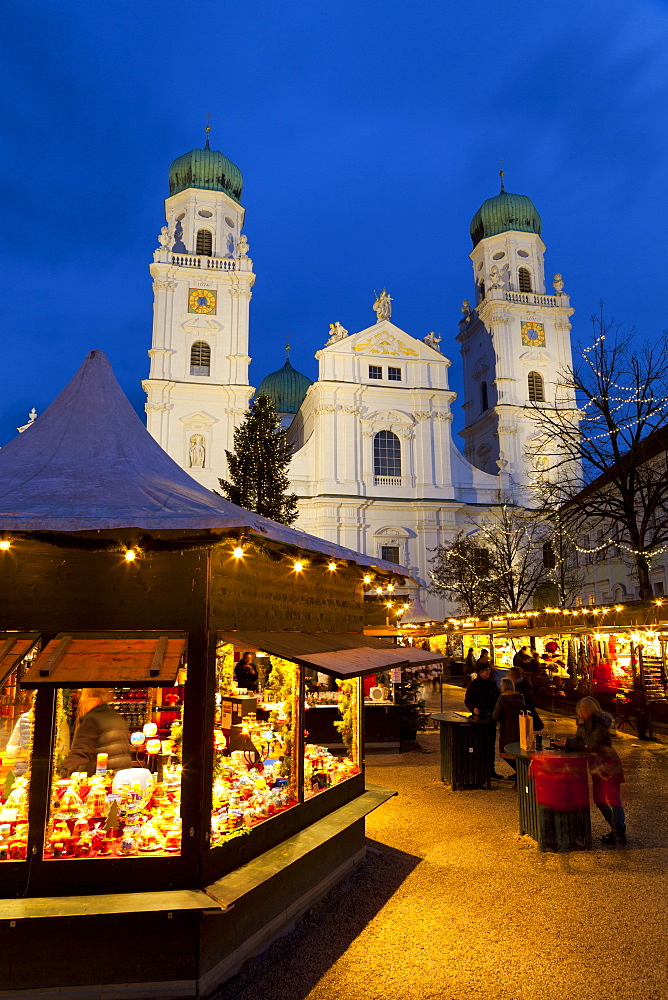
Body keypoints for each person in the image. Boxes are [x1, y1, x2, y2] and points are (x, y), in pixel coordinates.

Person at [560, 696, 626, 846]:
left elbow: (590, 744)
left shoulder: (600, 724)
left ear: (589, 710)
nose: (580, 713)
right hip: (598, 766)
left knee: (613, 799)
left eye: (583, 710)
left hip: (609, 765)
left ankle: (619, 832)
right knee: (599, 799)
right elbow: (581, 741)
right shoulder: (586, 722)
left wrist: (578, 733)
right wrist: (567, 742)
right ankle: (616, 829)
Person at [59, 688, 132, 778]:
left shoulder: (92, 719)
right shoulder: (116, 717)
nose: (82, 705)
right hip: (121, 776)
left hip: (102, 779)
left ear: (96, 701)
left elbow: (81, 752)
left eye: (85, 701)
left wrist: (63, 773)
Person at [465, 664, 504, 779]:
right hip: (480, 718)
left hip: (490, 718)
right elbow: (468, 700)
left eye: (489, 670)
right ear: (480, 672)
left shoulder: (492, 684)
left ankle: (491, 769)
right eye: (486, 670)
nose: (488, 672)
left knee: (490, 745)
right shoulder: (474, 684)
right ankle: (480, 769)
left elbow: (497, 698)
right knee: (480, 744)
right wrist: (473, 709)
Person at [492, 678, 525, 783]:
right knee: (519, 751)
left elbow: (495, 716)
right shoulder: (520, 697)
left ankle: (520, 772)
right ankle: (520, 771)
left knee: (506, 752)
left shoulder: (502, 699)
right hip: (521, 727)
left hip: (508, 729)